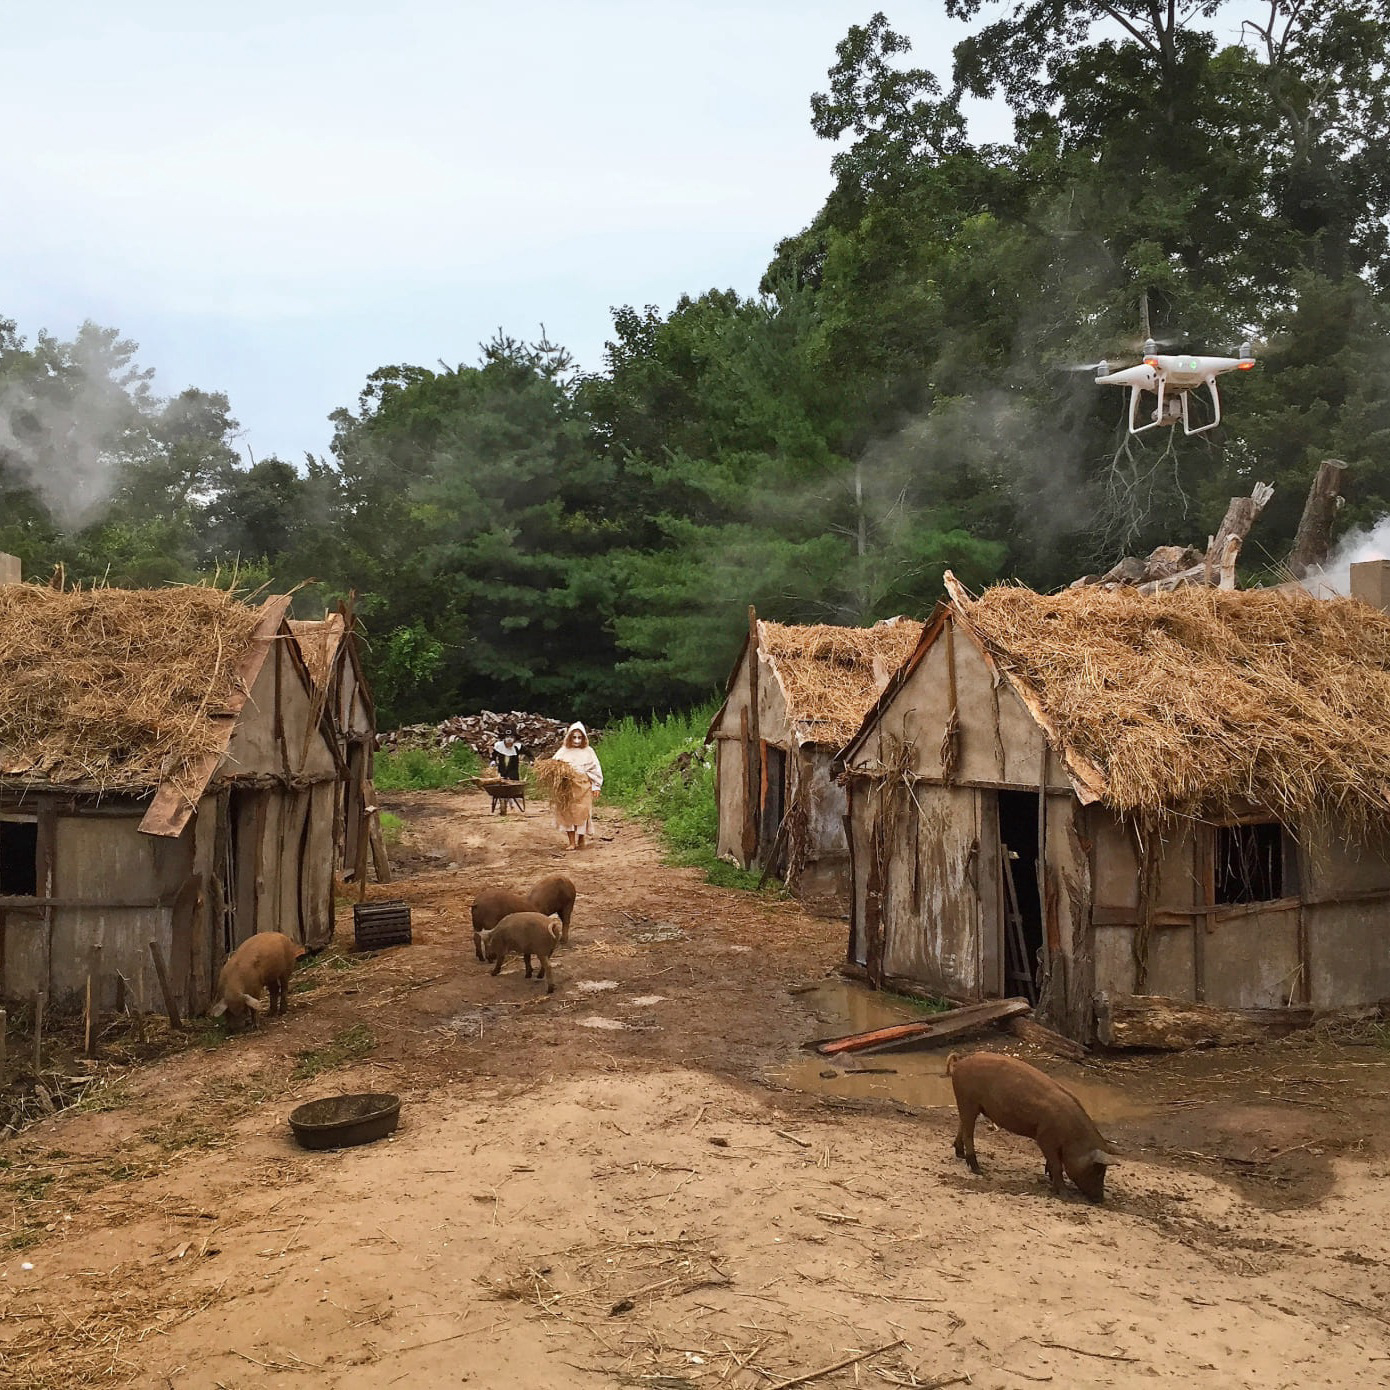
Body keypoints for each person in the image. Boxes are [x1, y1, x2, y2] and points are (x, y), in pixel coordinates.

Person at [550, 721, 602, 850]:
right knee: (568, 813)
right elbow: (554, 766)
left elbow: (595, 769)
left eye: (579, 737)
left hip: (583, 787)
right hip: (567, 787)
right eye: (574, 737)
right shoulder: (563, 751)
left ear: (584, 737)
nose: (577, 740)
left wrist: (596, 786)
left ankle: (581, 838)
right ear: (569, 737)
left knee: (583, 812)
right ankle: (571, 842)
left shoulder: (589, 751)